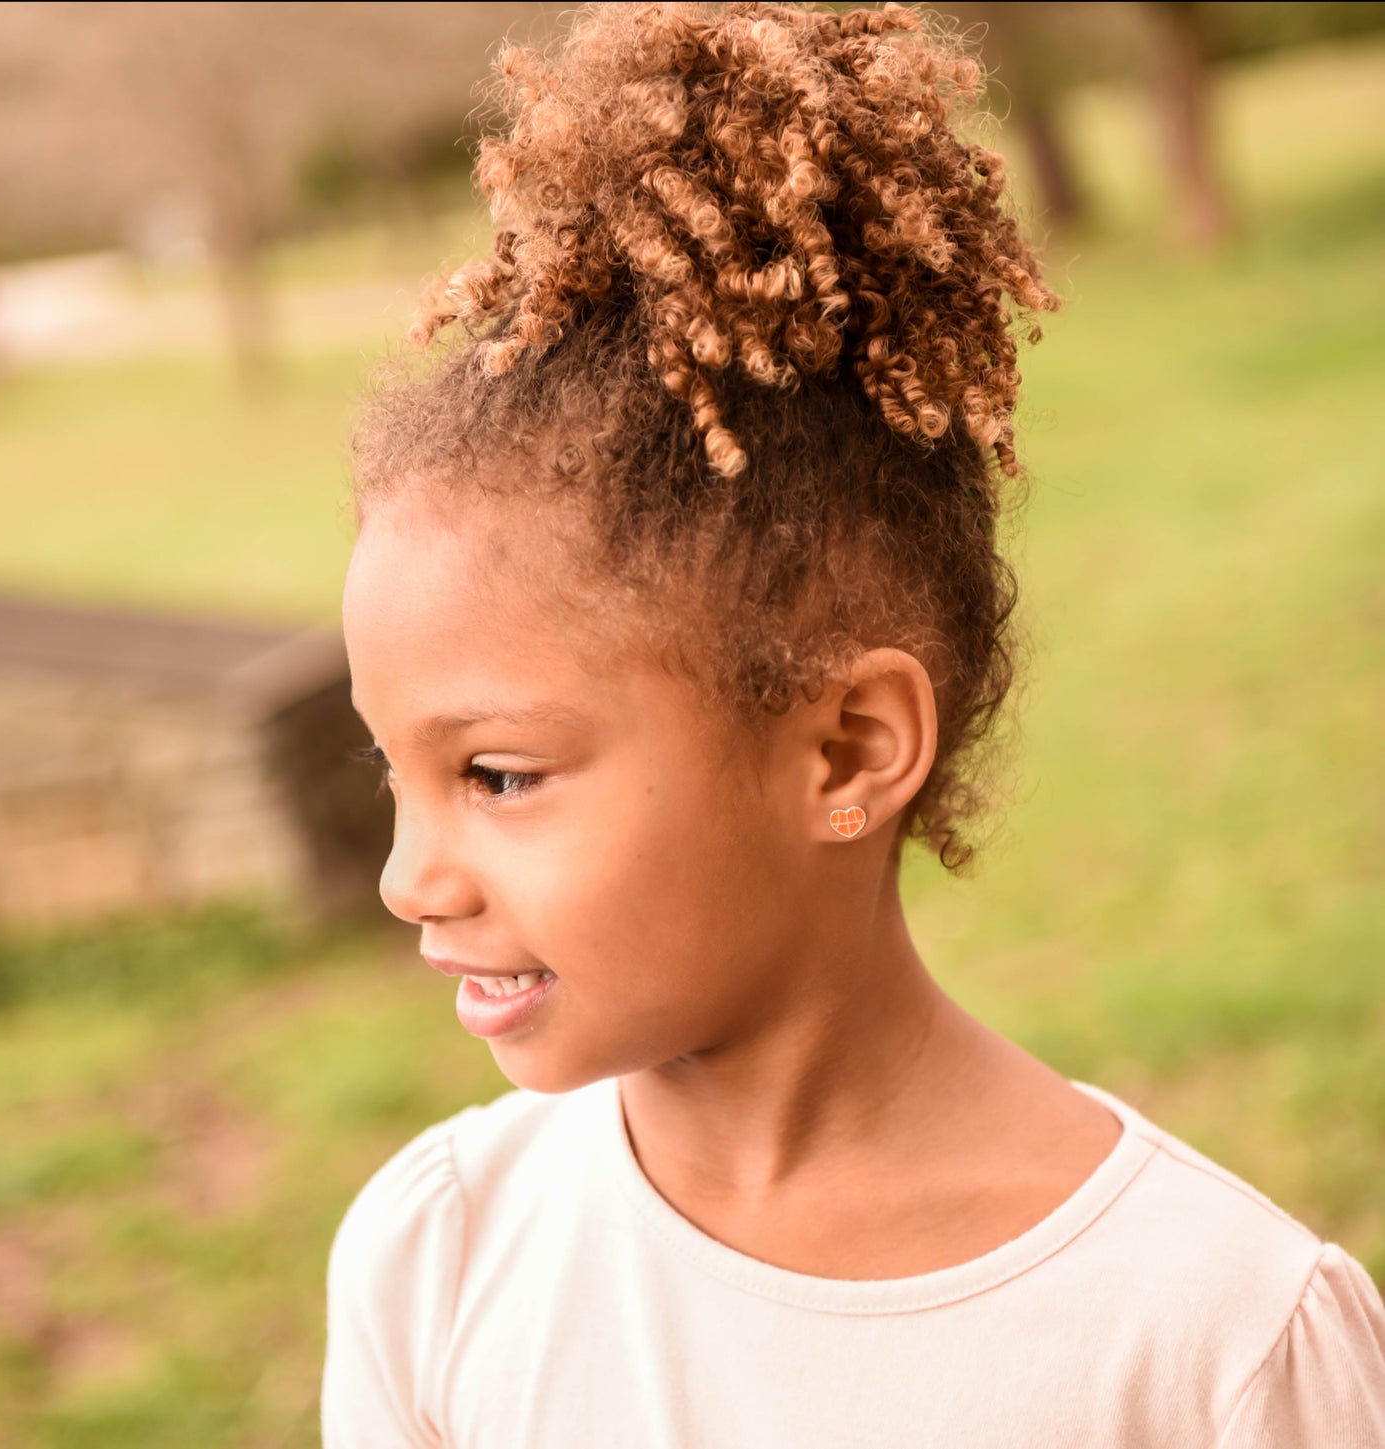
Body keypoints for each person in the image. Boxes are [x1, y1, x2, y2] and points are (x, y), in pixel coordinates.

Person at [322, 3, 1385, 1444]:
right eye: (397, 771)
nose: (407, 878)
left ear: (847, 750)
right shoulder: (438, 1257)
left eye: (496, 774)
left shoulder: (1213, 1341)